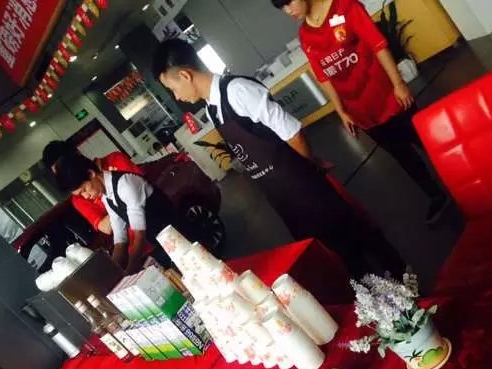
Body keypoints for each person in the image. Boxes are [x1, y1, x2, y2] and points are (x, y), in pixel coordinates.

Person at [153, 38, 404, 277]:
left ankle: (405, 282)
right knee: (338, 256)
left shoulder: (238, 91)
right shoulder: (212, 109)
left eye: (173, 89)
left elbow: (293, 133)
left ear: (185, 75)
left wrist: (308, 168)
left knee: (356, 235)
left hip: (303, 185)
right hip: (281, 196)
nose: (177, 97)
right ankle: (375, 298)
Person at [272, 0, 448, 223]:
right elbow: (324, 77)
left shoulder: (346, 7)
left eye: (289, 2)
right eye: (282, 8)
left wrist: (398, 83)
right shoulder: (306, 36)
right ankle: (435, 194)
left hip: (390, 97)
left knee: (427, 140)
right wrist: (341, 111)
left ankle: (462, 174)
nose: (288, 11)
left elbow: (378, 44)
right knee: (403, 156)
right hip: (363, 114)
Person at [53, 151, 175, 274]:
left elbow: (140, 237)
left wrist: (127, 274)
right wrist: (112, 271)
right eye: (81, 195)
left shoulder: (125, 184)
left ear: (91, 174)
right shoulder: (107, 197)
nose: (86, 196)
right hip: (165, 243)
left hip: (177, 235)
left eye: (84, 190)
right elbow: (120, 240)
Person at [42, 141, 143, 236]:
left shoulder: (115, 159)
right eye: (59, 173)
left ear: (77, 153)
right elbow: (106, 228)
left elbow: (140, 190)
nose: (64, 174)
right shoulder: (78, 198)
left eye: (64, 166)